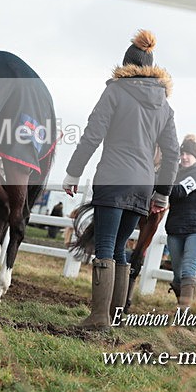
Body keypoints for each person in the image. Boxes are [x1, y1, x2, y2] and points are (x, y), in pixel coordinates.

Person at [62, 29, 179, 330]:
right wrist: (162, 194)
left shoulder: (115, 91)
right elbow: (172, 154)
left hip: (113, 178)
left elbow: (92, 135)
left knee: (105, 245)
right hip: (143, 185)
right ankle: (115, 316)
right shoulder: (164, 105)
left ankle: (99, 317)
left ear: (126, 65)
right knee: (119, 248)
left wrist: (73, 171)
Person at [165, 134, 196, 308]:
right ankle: (181, 303)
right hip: (175, 229)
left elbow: (179, 191)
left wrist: (160, 182)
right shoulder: (174, 171)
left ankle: (183, 313)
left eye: (188, 154)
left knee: (188, 270)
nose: (184, 157)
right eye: (182, 154)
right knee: (177, 276)